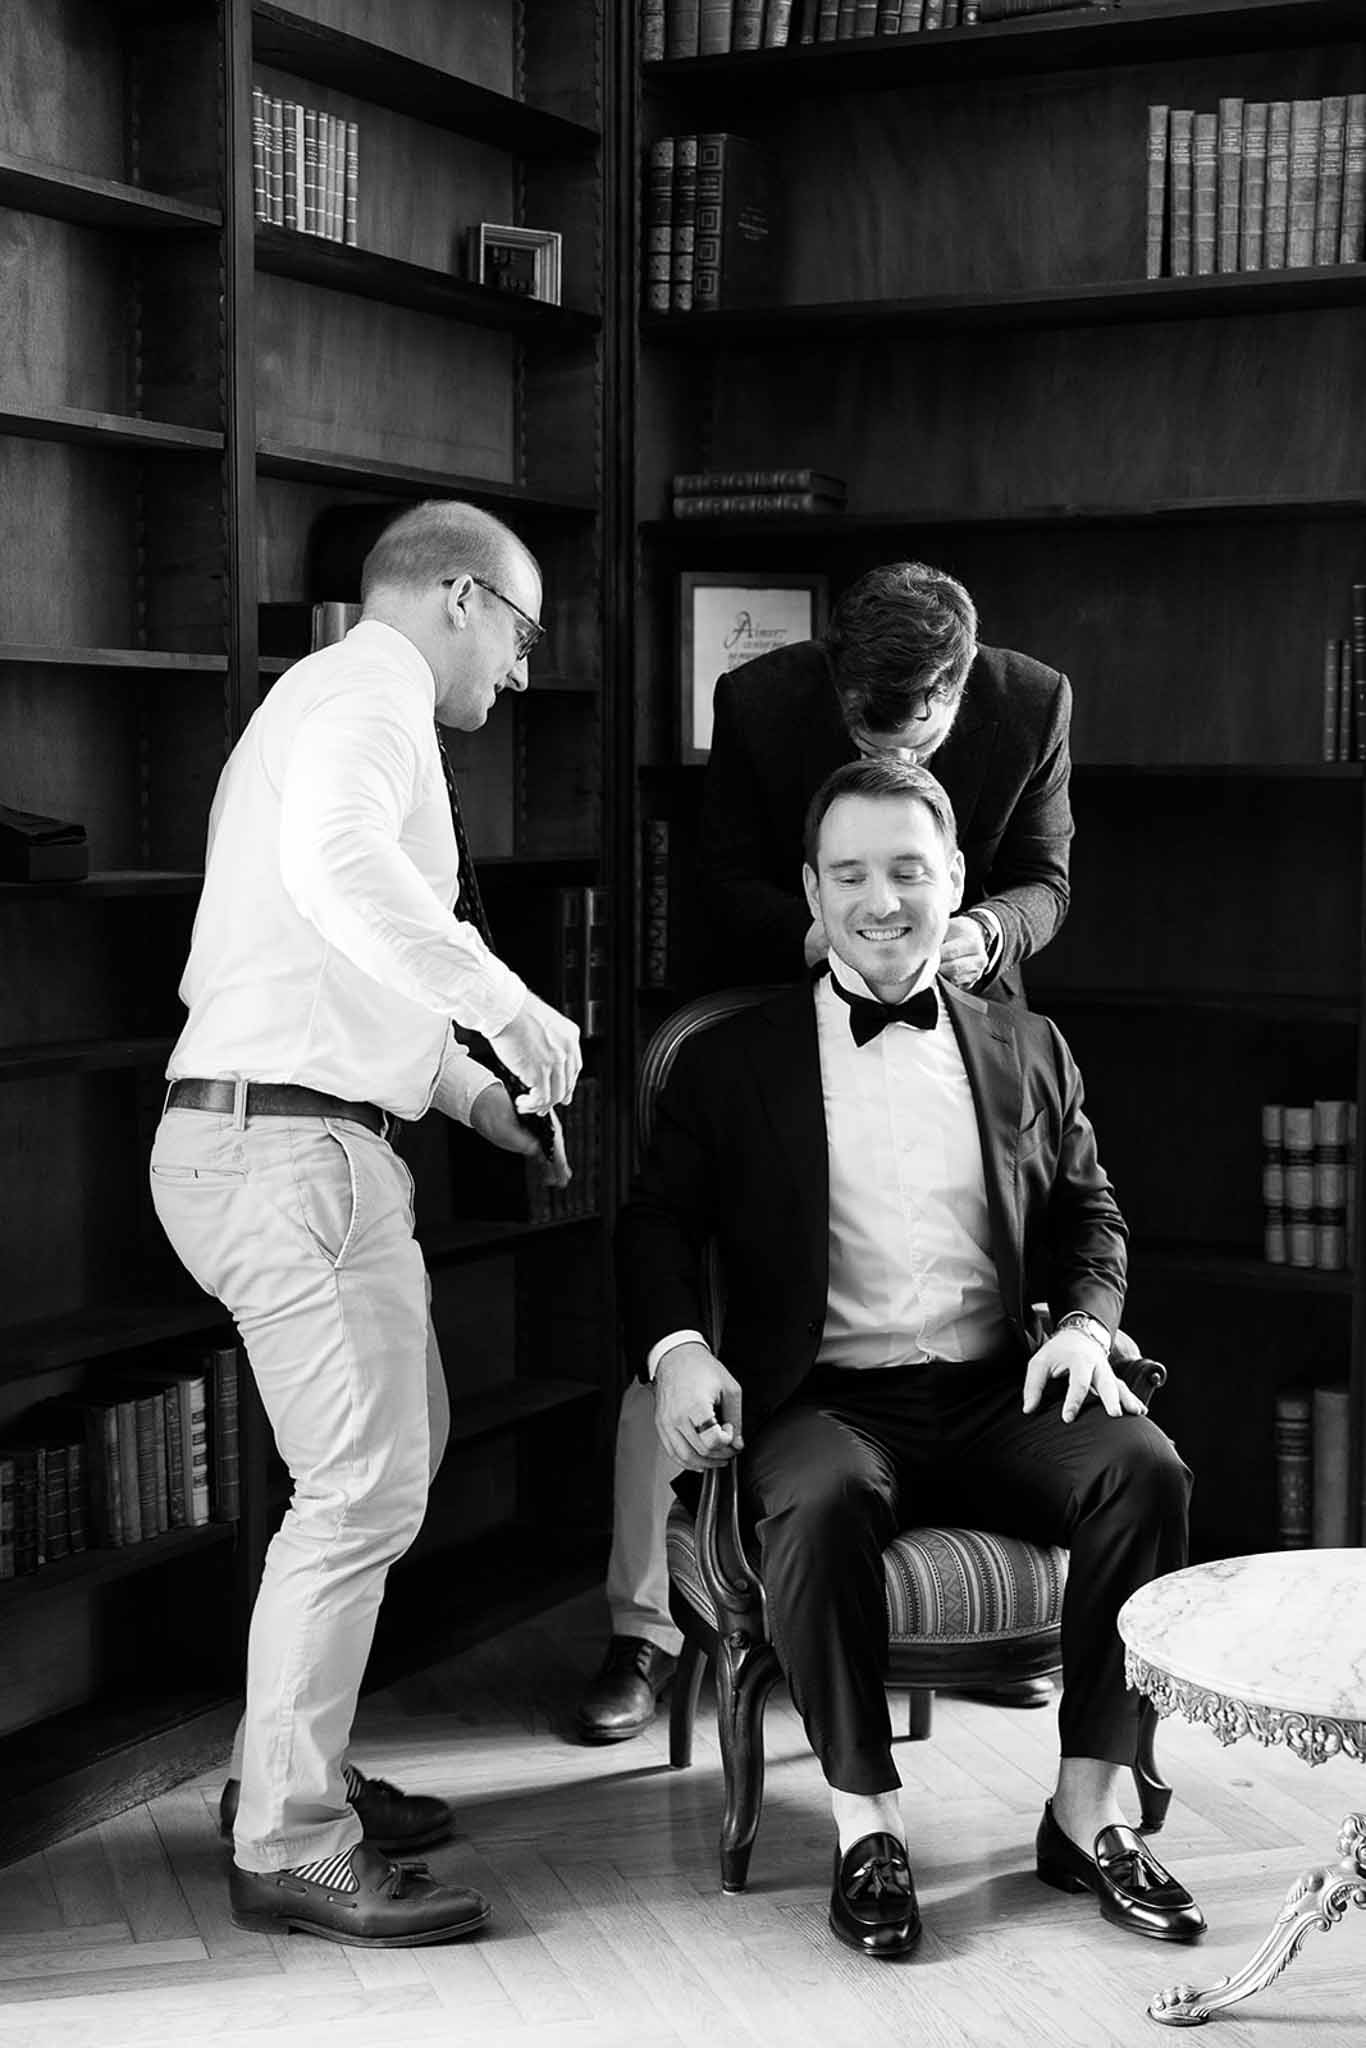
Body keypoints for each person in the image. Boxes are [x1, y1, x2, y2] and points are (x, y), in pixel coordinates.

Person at [615, 756, 1203, 1958]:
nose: (881, 901)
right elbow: (654, 1226)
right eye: (850, 874)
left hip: (1000, 1389)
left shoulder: (1028, 1045)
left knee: (1149, 1470)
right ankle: (865, 1826)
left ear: (952, 881)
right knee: (822, 1494)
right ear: (811, 891)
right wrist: (678, 1349)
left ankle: (1085, 1812)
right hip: (827, 1398)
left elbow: (1093, 1216)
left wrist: (1087, 1326)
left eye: (906, 870)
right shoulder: (736, 1061)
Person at [150, 500, 580, 1947]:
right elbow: (348, 882)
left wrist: (470, 1101)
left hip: (282, 1135)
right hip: (289, 1153)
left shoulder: (331, 700)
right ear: (459, 598)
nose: (520, 671)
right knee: (358, 1493)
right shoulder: (371, 692)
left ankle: (287, 1773)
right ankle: (288, 1837)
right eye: (520, 632)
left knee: (374, 1476)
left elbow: (332, 959)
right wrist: (509, 1004)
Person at [578, 560, 1075, 1742]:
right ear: (832, 681)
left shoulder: (1035, 703)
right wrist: (832, 925)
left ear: (962, 687)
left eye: (920, 729)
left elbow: (1048, 882)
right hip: (778, 1023)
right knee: (705, 1319)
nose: (894, 747)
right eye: (867, 726)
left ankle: (960, 1618)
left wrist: (984, 928)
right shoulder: (758, 700)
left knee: (990, 1280)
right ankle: (643, 1630)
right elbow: (716, 881)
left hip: (958, 1009)